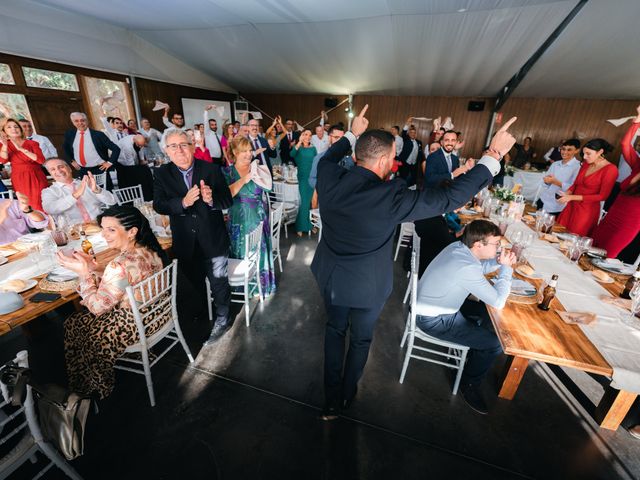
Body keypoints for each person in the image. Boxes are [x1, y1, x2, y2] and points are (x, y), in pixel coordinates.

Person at [312, 105, 517, 419]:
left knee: (334, 331)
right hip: (368, 286)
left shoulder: (329, 176)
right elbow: (450, 198)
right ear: (384, 160)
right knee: (361, 339)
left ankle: (329, 399)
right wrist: (493, 154)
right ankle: (346, 395)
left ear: (358, 154)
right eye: (393, 156)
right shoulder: (389, 198)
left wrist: (352, 132)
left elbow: (326, 157)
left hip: (331, 277)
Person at [60, 205, 169, 399]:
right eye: (103, 228)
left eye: (111, 229)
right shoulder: (149, 248)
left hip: (134, 324)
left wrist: (84, 273)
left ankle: (93, 384)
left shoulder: (119, 264)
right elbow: (130, 277)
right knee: (77, 320)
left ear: (132, 231)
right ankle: (96, 375)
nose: (104, 235)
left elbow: (96, 308)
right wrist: (95, 268)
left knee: (73, 323)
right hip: (158, 313)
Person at [415, 220, 516, 414]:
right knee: (495, 343)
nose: (499, 248)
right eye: (496, 244)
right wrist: (507, 269)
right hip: (435, 320)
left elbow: (477, 268)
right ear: (479, 245)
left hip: (439, 307)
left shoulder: (459, 247)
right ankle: (469, 384)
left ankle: (471, 356)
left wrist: (497, 262)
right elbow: (498, 301)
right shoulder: (466, 267)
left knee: (487, 317)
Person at [153, 129, 233, 345]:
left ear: (192, 147)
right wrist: (183, 203)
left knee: (219, 284)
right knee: (195, 283)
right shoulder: (161, 174)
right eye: (173, 146)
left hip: (213, 240)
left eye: (183, 144)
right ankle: (201, 311)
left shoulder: (211, 169)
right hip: (186, 243)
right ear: (166, 151)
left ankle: (223, 318)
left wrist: (211, 200)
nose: (179, 150)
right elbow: (159, 205)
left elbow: (227, 200)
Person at [224, 136, 276, 296]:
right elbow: (226, 195)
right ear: (234, 152)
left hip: (258, 219)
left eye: (250, 150)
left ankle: (261, 287)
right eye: (243, 151)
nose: (248, 154)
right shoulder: (227, 172)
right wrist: (245, 179)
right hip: (238, 220)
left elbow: (268, 188)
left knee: (259, 254)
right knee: (240, 251)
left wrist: (259, 173)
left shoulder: (257, 168)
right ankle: (242, 287)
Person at [593, 107, 640, 258]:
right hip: (612, 216)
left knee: (605, 258)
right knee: (590, 249)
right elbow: (625, 144)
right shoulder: (637, 164)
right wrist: (637, 122)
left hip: (627, 226)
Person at [557, 139, 618, 236]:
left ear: (600, 152)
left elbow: (603, 196)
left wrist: (572, 197)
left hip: (586, 211)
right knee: (557, 233)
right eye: (584, 153)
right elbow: (576, 184)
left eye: (588, 154)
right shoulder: (586, 163)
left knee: (572, 239)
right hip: (571, 206)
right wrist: (568, 192)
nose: (585, 157)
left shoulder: (611, 169)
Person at [42, 158, 117, 225]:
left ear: (69, 169)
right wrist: (75, 195)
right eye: (53, 169)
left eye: (61, 167)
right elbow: (50, 209)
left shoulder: (87, 183)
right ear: (50, 174)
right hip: (75, 232)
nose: (58, 171)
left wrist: (97, 191)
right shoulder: (49, 192)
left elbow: (112, 201)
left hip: (98, 225)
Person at [0, 118, 49, 211]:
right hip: (19, 178)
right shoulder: (3, 145)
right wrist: (5, 145)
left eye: (16, 126)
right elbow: (3, 160)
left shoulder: (32, 143)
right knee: (26, 204)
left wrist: (21, 149)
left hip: (36, 175)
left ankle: (49, 224)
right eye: (9, 127)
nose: (13, 129)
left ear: (20, 129)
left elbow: (41, 160)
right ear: (4, 131)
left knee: (41, 202)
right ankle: (35, 224)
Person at [63, 112, 120, 190]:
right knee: (87, 194)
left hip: (99, 169)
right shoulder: (70, 134)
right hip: (82, 170)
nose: (80, 123)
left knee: (106, 193)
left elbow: (116, 149)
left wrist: (109, 162)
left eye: (82, 120)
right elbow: (65, 148)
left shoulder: (98, 135)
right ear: (73, 122)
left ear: (87, 121)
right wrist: (71, 161)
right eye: (76, 121)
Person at [537, 139, 581, 215]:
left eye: (569, 150)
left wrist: (555, 182)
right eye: (563, 149)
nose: (565, 152)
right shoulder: (555, 164)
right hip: (543, 199)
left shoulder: (578, 167)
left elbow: (574, 189)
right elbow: (544, 183)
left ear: (576, 151)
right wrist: (546, 181)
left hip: (558, 206)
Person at [308, 125, 353, 190]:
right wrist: (327, 187)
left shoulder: (348, 158)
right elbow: (312, 179)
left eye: (342, 139)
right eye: (336, 137)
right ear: (329, 138)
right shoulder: (319, 157)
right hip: (326, 196)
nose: (340, 142)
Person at [290, 129, 317, 236]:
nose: (308, 137)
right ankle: (301, 226)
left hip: (312, 178)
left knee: (310, 203)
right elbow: (291, 154)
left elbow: (316, 162)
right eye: (306, 134)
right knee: (305, 202)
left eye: (310, 135)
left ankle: (308, 225)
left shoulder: (313, 148)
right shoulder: (298, 148)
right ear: (302, 135)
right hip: (302, 178)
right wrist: (299, 142)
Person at [397, 118, 425, 186]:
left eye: (414, 133)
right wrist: (407, 123)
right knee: (403, 177)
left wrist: (423, 161)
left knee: (413, 178)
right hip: (405, 163)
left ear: (416, 134)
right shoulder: (406, 140)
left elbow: (420, 153)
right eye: (411, 132)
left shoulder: (419, 142)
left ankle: (411, 189)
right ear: (409, 133)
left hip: (414, 164)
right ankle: (401, 188)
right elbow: (403, 132)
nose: (413, 134)